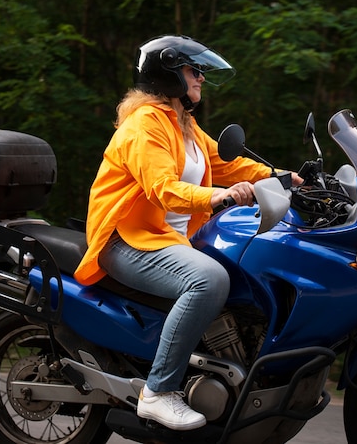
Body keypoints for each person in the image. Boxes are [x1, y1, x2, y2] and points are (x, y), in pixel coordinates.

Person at [74, 34, 301, 431]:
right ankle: (158, 392)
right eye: (193, 70)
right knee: (209, 280)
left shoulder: (185, 125)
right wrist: (219, 198)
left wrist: (285, 177)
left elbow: (230, 165)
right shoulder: (145, 126)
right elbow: (164, 188)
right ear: (168, 75)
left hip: (168, 240)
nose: (200, 78)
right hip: (126, 239)